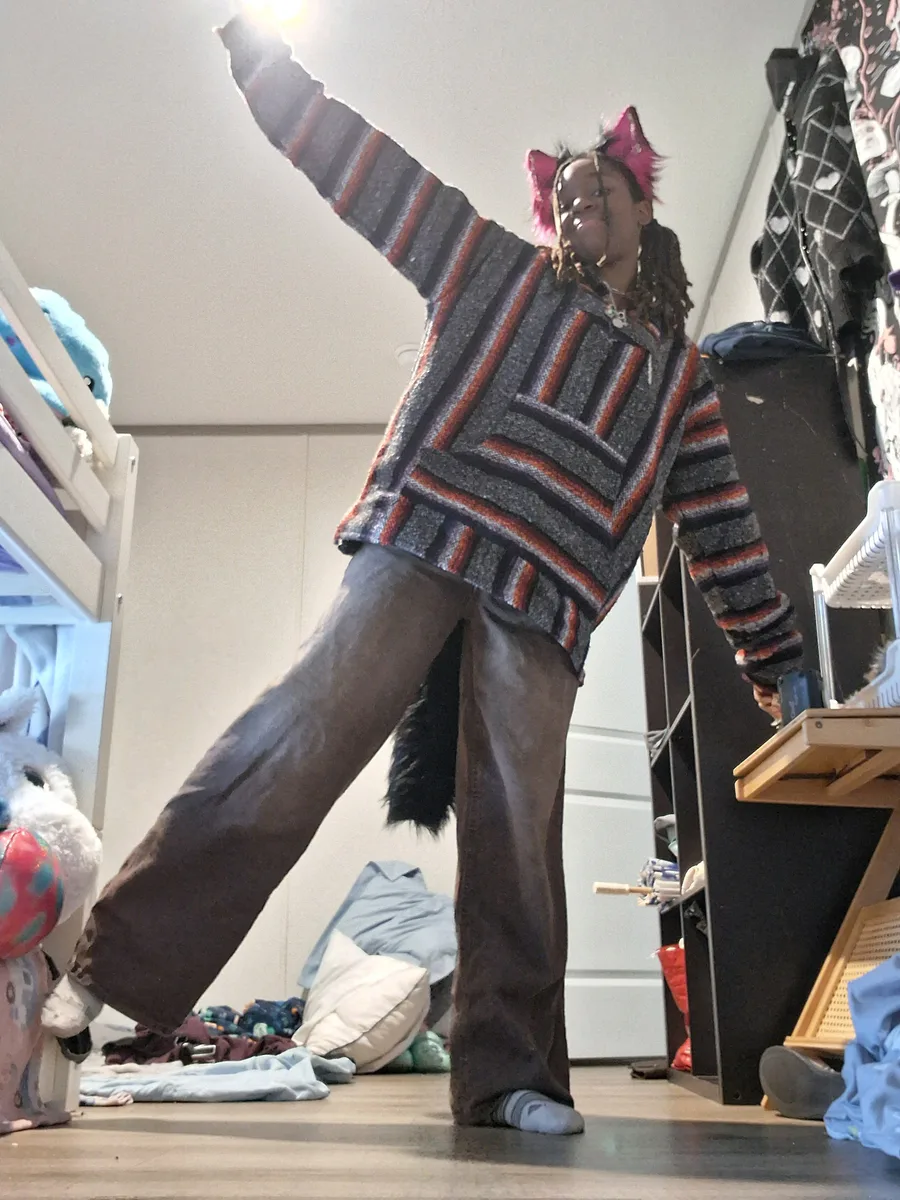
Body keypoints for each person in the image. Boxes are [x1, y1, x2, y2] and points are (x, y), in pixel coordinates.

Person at [42, 9, 801, 1135]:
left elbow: (725, 528)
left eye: (599, 188)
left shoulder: (681, 381)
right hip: (424, 536)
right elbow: (371, 173)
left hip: (546, 601)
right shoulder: (490, 264)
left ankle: (511, 1077)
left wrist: (775, 659)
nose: (578, 205)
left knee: (518, 822)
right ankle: (111, 969)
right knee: (295, 733)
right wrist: (269, 74)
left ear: (646, 205)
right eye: (565, 196)